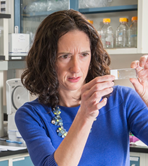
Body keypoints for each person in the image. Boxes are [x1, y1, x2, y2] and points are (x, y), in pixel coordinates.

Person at [15, 9, 148, 166]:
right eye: (65, 56)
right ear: (47, 60)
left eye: (84, 55)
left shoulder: (122, 99)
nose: (76, 68)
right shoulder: (31, 115)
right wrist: (85, 114)